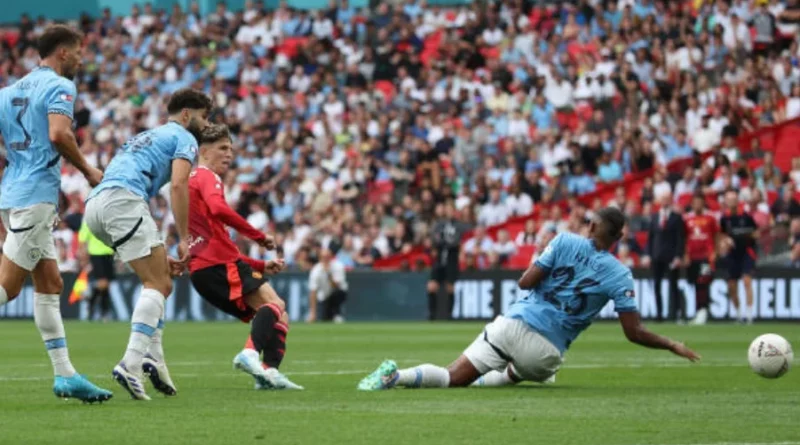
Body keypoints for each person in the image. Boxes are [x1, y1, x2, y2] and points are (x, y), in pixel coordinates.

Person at [357, 208, 700, 391]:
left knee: (452, 377)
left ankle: (396, 377)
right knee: (521, 371)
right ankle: (520, 373)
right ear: (618, 238)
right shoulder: (621, 275)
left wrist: (540, 261)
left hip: (514, 324)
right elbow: (633, 332)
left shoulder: (564, 241)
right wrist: (671, 345)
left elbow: (525, 283)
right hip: (547, 353)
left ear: (592, 225)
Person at [0, 25, 112, 402]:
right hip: (34, 195)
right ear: (63, 53)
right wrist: (89, 170)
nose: (83, 58)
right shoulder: (60, 87)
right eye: (79, 52)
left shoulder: (9, 92)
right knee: (8, 287)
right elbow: (59, 134)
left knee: (50, 284)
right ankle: (65, 374)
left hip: (14, 192)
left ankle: (65, 375)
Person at [84, 88, 212, 400]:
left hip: (97, 205)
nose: (207, 125)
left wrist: (158, 250)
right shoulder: (184, 138)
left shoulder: (147, 135)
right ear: (186, 115)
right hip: (124, 201)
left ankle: (154, 359)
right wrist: (182, 238)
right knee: (159, 284)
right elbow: (180, 184)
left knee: (159, 279)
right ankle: (131, 362)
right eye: (204, 117)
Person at [184, 124, 302, 390]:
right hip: (217, 264)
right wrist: (258, 237)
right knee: (275, 304)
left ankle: (268, 376)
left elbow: (220, 241)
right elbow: (219, 208)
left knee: (277, 316)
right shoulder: (206, 176)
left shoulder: (187, 182)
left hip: (205, 269)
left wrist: (261, 265)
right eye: (222, 148)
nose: (229, 154)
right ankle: (250, 355)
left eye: (231, 149)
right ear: (203, 151)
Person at [645, 192, 686, 322]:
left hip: (671, 256)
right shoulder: (655, 217)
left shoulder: (677, 217)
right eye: (663, 199)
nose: (665, 201)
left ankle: (675, 314)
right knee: (657, 286)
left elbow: (680, 238)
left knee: (673, 285)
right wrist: (648, 254)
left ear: (671, 200)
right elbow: (650, 238)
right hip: (657, 256)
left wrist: (678, 256)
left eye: (667, 199)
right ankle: (659, 314)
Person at [719, 189, 759, 323]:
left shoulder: (746, 216)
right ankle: (738, 312)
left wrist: (749, 236)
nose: (732, 202)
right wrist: (726, 240)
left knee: (747, 280)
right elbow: (721, 234)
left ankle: (749, 314)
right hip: (732, 253)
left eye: (734, 200)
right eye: (729, 200)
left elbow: (756, 232)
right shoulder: (725, 218)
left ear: (738, 201)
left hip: (746, 251)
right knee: (732, 285)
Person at [427, 202, 467, 320]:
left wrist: (446, 242)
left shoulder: (458, 226)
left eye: (451, 210)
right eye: (447, 209)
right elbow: (435, 238)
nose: (449, 212)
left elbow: (456, 241)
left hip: (451, 260)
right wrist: (443, 242)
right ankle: (432, 314)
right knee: (431, 286)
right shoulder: (440, 224)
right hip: (439, 260)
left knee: (450, 287)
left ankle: (449, 315)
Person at [684, 193, 719, 325]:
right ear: (692, 204)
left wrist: (715, 251)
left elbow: (716, 235)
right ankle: (700, 311)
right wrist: (685, 254)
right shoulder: (687, 219)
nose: (697, 205)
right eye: (695, 202)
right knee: (695, 283)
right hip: (693, 257)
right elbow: (685, 238)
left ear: (703, 203)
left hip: (706, 256)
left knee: (702, 281)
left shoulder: (710, 218)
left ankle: (703, 311)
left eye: (700, 202)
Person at [78, 220, 115, 321]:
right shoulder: (89, 219)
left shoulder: (107, 217)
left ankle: (92, 302)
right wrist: (83, 256)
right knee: (103, 283)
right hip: (96, 253)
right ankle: (104, 312)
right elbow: (82, 238)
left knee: (106, 285)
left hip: (109, 252)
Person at [308, 248, 348, 323]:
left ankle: (337, 314)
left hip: (337, 295)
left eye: (327, 257)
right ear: (320, 258)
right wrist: (313, 313)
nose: (326, 260)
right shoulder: (315, 270)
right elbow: (313, 292)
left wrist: (328, 274)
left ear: (331, 257)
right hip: (324, 298)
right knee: (324, 318)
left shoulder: (338, 266)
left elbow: (336, 286)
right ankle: (331, 315)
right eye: (323, 257)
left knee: (337, 293)